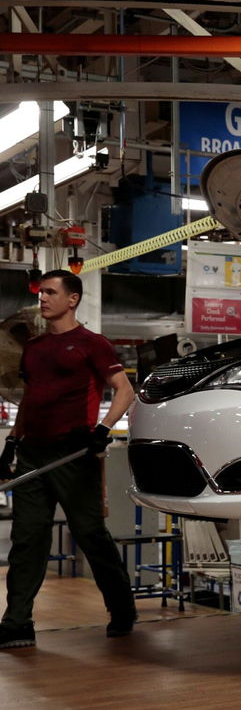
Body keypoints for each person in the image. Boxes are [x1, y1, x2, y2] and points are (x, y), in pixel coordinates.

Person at [0, 269, 137, 649]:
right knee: (27, 539)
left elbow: (124, 390)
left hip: (73, 453)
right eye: (41, 293)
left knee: (90, 535)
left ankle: (122, 608)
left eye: (49, 292)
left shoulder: (92, 344)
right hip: (32, 454)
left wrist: (103, 429)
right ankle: (17, 624)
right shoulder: (35, 348)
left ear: (72, 299)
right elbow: (31, 398)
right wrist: (11, 442)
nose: (42, 299)